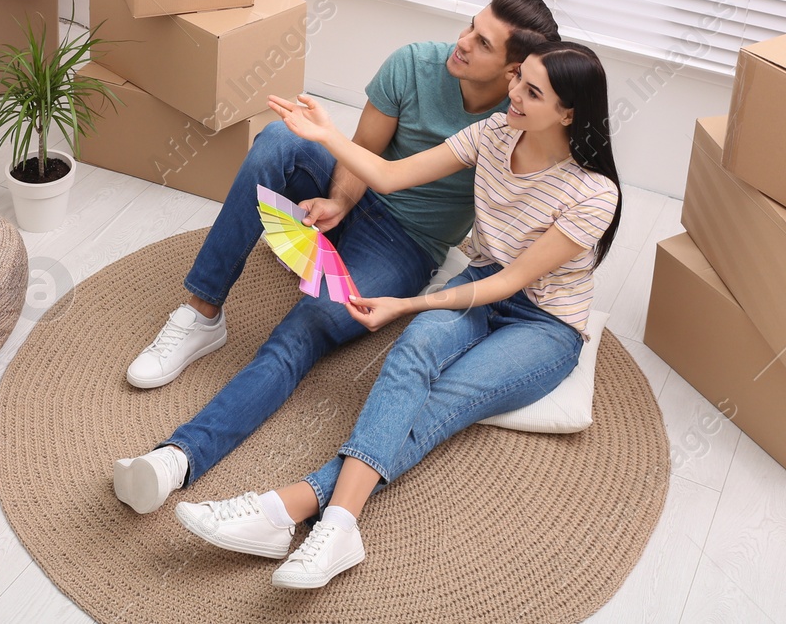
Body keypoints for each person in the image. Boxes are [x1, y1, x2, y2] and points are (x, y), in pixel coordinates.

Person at [173, 39, 621, 590]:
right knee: (414, 350)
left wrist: (409, 303)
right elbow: (390, 176)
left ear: (568, 112)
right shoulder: (494, 134)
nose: (514, 95)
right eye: (518, 80)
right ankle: (334, 526)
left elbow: (512, 283)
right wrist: (327, 135)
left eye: (533, 91)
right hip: (480, 281)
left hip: (543, 323)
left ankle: (289, 511)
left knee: (438, 403)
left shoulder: (593, 194)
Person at [112, 0, 561, 515]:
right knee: (279, 141)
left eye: (481, 43)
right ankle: (202, 312)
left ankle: (178, 458)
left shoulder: (511, 128)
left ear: (514, 72)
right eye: (469, 26)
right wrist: (340, 201)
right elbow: (366, 152)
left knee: (306, 327)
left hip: (404, 245)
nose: (460, 43)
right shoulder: (415, 64)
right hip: (352, 192)